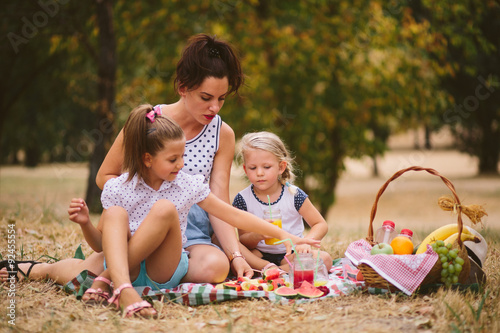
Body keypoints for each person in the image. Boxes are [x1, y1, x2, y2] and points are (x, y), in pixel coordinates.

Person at [0, 33, 251, 289]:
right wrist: (143, 205)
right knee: (86, 272)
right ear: (183, 88)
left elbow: (219, 201)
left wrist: (236, 255)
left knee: (216, 267)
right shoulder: (148, 122)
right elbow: (105, 176)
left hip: (191, 239)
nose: (215, 108)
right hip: (136, 230)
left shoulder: (223, 134)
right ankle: (42, 269)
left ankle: (117, 274)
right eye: (206, 98)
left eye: (222, 99)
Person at [71, 104, 319, 318]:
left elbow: (233, 215)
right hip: (130, 270)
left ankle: (113, 282)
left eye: (182, 157)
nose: (181, 165)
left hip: (163, 269)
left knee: (164, 209)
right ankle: (118, 284)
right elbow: (99, 244)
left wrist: (291, 238)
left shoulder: (186, 184)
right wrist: (85, 224)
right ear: (147, 159)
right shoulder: (118, 187)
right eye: (173, 159)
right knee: (104, 225)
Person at [232, 131, 333, 273]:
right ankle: (268, 267)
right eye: (252, 168)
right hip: (258, 254)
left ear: (281, 167)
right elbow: (243, 239)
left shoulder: (294, 195)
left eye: (266, 167)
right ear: (245, 168)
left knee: (325, 259)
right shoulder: (242, 199)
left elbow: (320, 224)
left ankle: (276, 270)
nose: (259, 173)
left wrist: (305, 242)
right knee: (227, 243)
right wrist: (260, 234)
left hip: (290, 253)